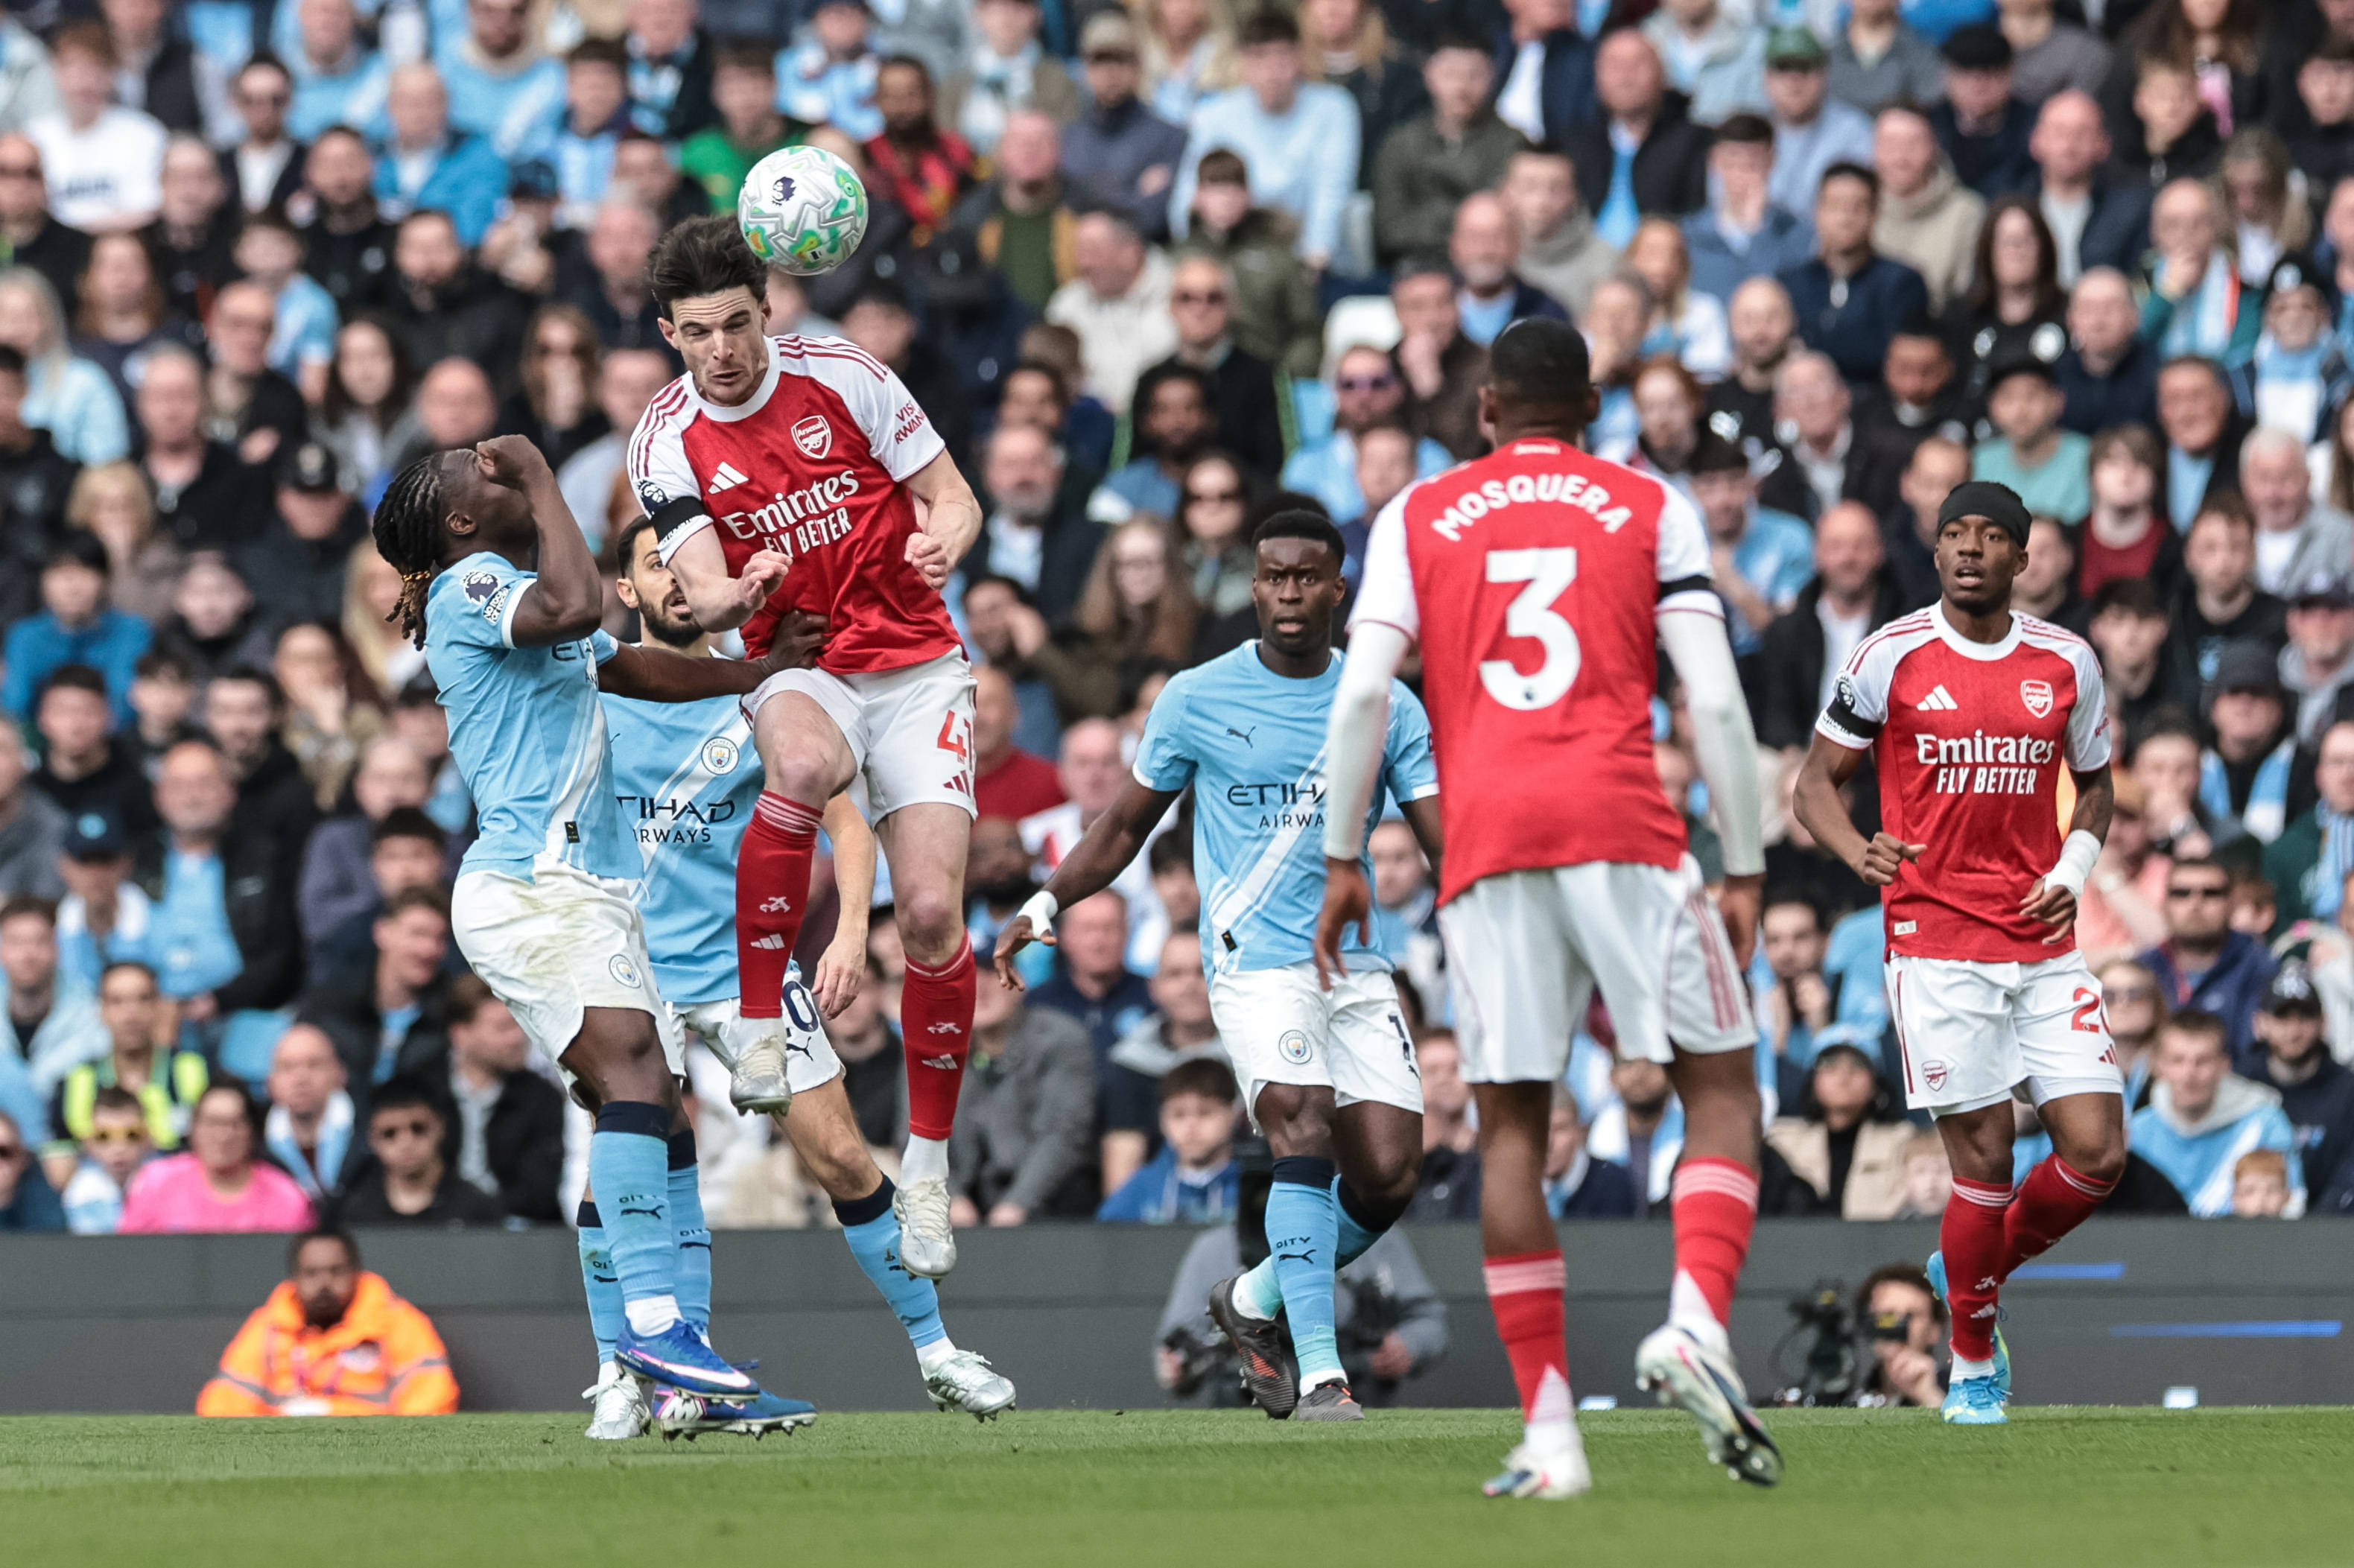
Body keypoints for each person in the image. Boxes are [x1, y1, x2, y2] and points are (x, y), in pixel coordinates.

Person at [1319, 319, 1774, 1494]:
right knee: (1722, 1085)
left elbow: (1363, 693)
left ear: (1486, 409)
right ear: (1593, 410)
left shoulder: (1417, 513)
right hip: (1625, 824)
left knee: (1513, 1125)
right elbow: (1718, 703)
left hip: (1485, 847)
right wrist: (1743, 861)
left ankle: (1554, 1438)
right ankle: (1695, 1322)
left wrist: (1342, 854)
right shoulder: (1649, 502)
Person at [369, 433, 823, 1426]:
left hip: (584, 889)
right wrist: (540, 473)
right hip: (534, 883)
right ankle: (650, 1331)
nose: (490, 464)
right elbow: (580, 608)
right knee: (635, 1081)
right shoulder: (472, 586)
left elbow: (632, 668)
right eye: (474, 468)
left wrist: (759, 672)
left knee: (660, 1112)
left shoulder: (518, 599)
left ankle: (679, 1368)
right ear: (459, 521)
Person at [997, 510, 1443, 1423]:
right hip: (1252, 961)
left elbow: (1445, 836)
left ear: (1337, 590)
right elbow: (1125, 824)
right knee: (1301, 1122)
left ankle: (1250, 1298)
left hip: (1353, 961)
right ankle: (1322, 1374)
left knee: (1390, 1174)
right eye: (1274, 575)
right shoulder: (1196, 695)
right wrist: (1045, 901)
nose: (1289, 592)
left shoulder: (1386, 702)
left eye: (1307, 577)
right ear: (1253, 586)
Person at [592, 510, 1016, 1430]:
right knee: (628, 1169)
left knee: (842, 1156)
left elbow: (848, 822)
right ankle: (629, 1377)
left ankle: (938, 1351)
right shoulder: (598, 689)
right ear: (624, 588)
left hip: (738, 971)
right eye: (656, 565)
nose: (677, 581)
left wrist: (849, 931)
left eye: (690, 565)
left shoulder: (766, 693)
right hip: (627, 970)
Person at [627, 217, 989, 1285]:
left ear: (768, 310)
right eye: (698, 332)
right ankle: (759, 1024)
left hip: (915, 663)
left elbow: (955, 497)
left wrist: (944, 541)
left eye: (737, 324)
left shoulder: (846, 374)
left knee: (931, 917)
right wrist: (733, 594)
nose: (722, 350)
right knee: (793, 769)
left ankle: (928, 1167)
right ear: (669, 334)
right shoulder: (662, 439)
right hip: (801, 655)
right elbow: (700, 591)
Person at [1794, 475, 2124, 1427]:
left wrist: (2073, 867)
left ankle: (1971, 1268)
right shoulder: (1888, 654)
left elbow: (2097, 785)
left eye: (1989, 535)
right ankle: (1972, 1362)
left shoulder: (2067, 660)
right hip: (1936, 942)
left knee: (2097, 1153)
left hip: (2043, 937)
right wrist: (1856, 849)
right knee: (1983, 1162)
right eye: (1954, 534)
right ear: (1935, 550)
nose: (1970, 548)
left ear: (2022, 556)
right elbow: (1814, 783)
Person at [1167, 9, 1360, 272]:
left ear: (1299, 56)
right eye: (1260, 57)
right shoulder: (1213, 115)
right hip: (1230, 259)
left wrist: (1314, 259)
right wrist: (1194, 259)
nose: (1272, 71)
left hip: (1308, 260)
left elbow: (1331, 192)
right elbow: (1188, 196)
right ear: (1243, 61)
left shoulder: (1334, 108)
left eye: (1282, 57)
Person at [196, 1228, 459, 1415]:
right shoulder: (269, 1324)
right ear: (294, 1278)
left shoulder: (395, 1320)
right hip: (283, 1453)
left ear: (356, 1273)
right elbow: (224, 1405)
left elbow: (431, 1400)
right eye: (311, 1273)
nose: (324, 1283)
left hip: (372, 1452)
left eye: (336, 1271)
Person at [2130, 1009, 2303, 1214]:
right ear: (2158, 1065)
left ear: (2225, 1064)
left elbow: (2292, 1205)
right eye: (2177, 1060)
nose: (2189, 1074)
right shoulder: (2137, 1132)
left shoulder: (2265, 1124)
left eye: (2202, 1061)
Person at [1369, 36, 1520, 269]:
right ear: (1429, 74)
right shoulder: (1400, 142)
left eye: (1474, 75)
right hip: (1412, 266)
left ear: (1493, 76)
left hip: (1488, 264)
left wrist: (1433, 215)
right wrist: (1461, 219)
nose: (1462, 87)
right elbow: (1389, 230)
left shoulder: (1513, 144)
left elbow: (1503, 225)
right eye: (1451, 74)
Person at [1777, 163, 1932, 387]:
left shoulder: (1902, 283)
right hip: (1803, 401)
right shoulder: (1791, 283)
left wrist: (1810, 349)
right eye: (1835, 206)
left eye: (1857, 207)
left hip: (1876, 401)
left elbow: (1895, 359)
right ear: (1816, 211)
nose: (1845, 218)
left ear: (1875, 212)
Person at [1560, 31, 1709, 253]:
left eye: (1638, 64)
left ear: (1662, 74)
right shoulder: (1574, 144)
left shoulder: (1696, 142)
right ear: (1596, 75)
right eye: (1614, 66)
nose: (1625, 77)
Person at [119, 1079, 315, 1232]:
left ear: (252, 1131)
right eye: (212, 1123)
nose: (223, 1136)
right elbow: (129, 1255)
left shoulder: (286, 1197)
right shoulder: (155, 1183)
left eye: (234, 1124)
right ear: (193, 1128)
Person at [331, 1076, 508, 1227]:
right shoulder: (354, 1212)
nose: (406, 1143)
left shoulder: (478, 1207)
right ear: (372, 1139)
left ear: (440, 1127)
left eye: (418, 1129)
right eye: (390, 1133)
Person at [1096, 1055, 1243, 1222]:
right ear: (1162, 1120)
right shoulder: (1141, 1188)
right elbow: (1106, 1231)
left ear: (1233, 1114)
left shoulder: (1253, 1187)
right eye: (1178, 1115)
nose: (1191, 1127)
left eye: (1205, 1113)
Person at [2249, 960, 2354, 1191]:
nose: (2294, 1031)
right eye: (2282, 1017)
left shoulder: (2348, 1091)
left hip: (2330, 1214)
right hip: (2247, 1214)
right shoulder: (2240, 1084)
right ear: (2259, 1023)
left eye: (2305, 1017)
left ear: (2323, 1022)